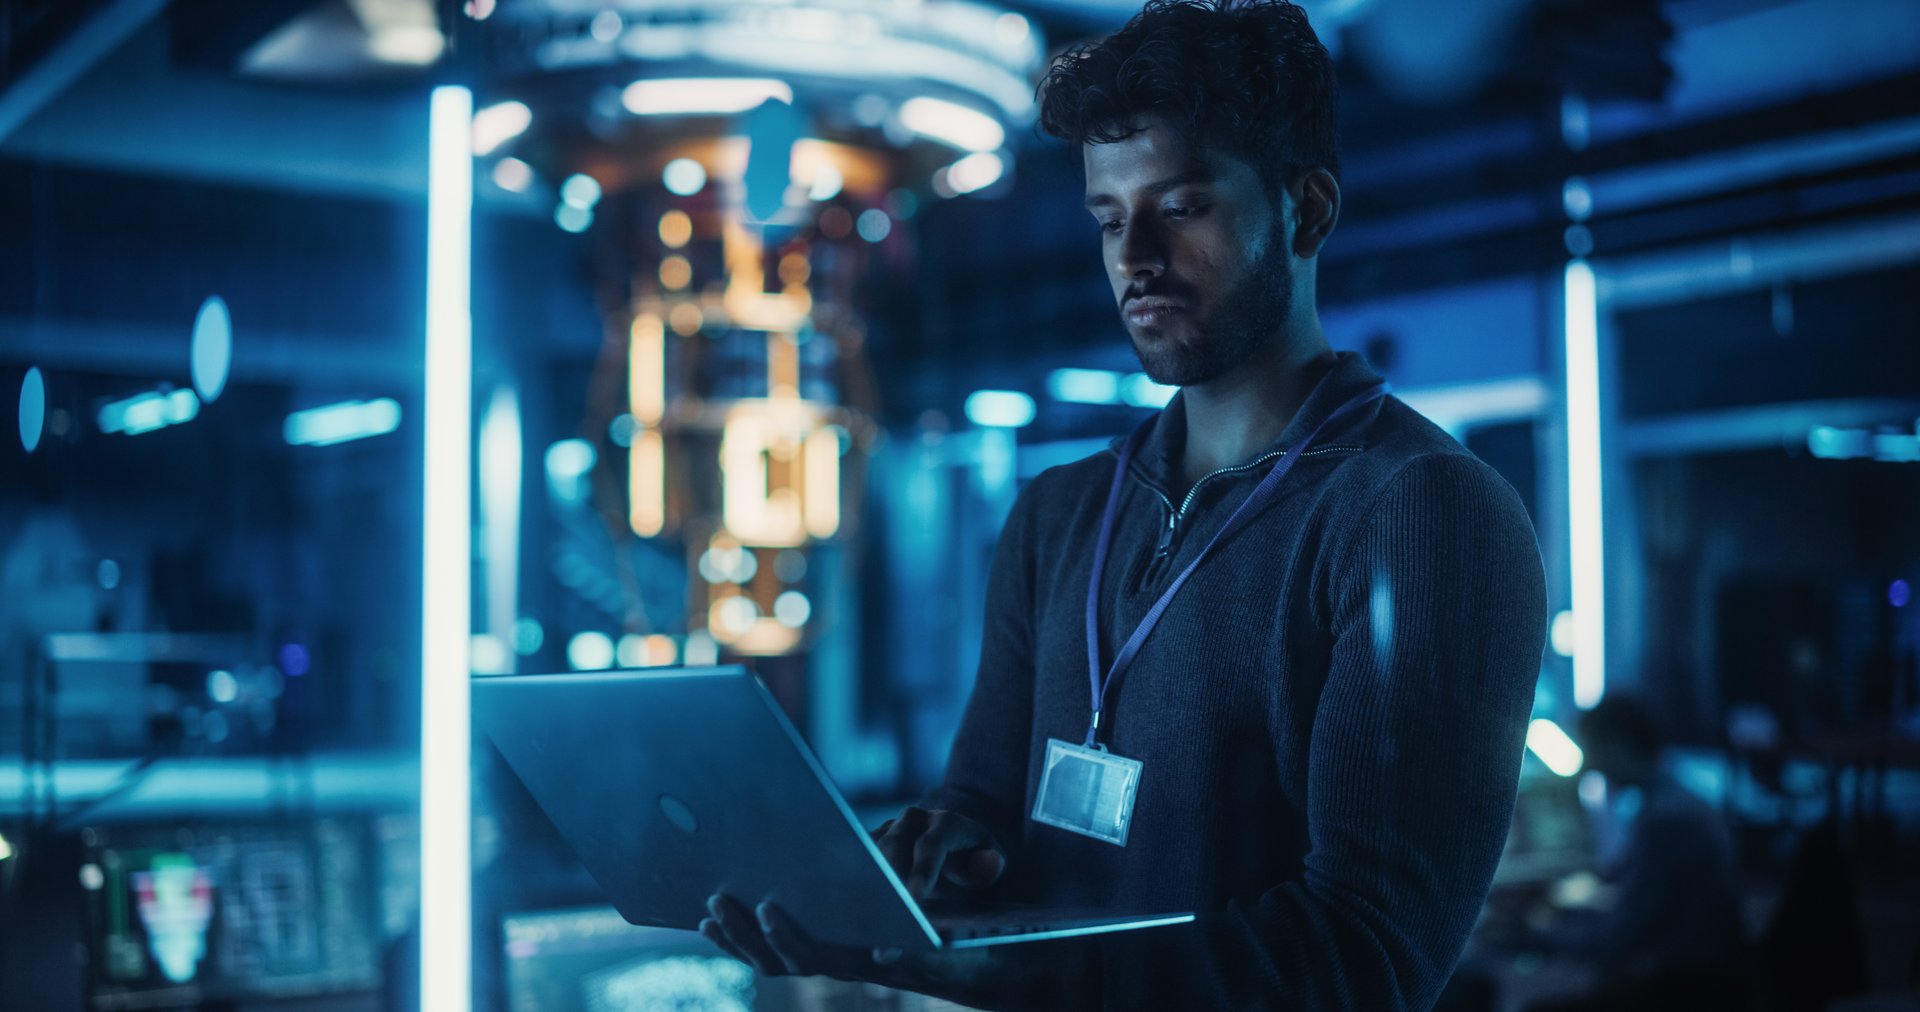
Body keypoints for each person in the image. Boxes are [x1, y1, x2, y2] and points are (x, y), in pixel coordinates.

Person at [701, 1, 1548, 1007]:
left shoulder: (1421, 516)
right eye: (1109, 218)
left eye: (1182, 205)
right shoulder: (1056, 515)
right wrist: (929, 864)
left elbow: (1363, 956)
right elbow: (984, 807)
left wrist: (1006, 973)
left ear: (1307, 210)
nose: (1133, 256)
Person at [1524, 696, 1747, 1011]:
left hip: (1682, 988)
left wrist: (1535, 938)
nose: (1591, 766)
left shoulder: (1665, 821)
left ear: (1617, 744)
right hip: (1703, 979)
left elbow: (1620, 937)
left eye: (1594, 749)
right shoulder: (1679, 801)